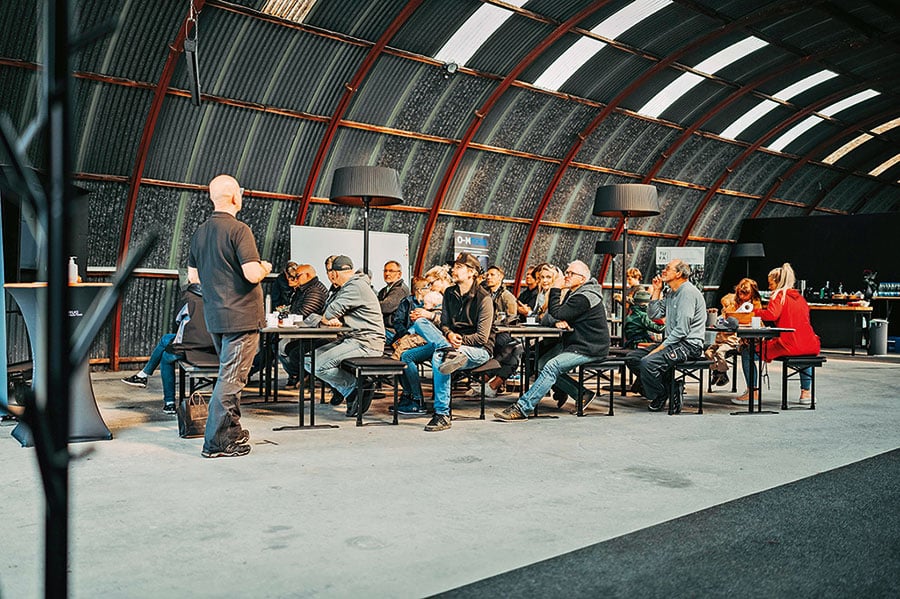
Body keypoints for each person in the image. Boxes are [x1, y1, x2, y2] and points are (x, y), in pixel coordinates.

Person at [188, 174, 272, 458]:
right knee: (231, 380)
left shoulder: (199, 232)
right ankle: (216, 443)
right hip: (242, 318)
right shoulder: (239, 230)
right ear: (237, 197)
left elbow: (192, 278)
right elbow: (251, 273)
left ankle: (232, 431)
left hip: (216, 318)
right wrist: (264, 266)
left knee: (228, 376)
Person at [494, 260, 610, 421]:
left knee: (551, 366)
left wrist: (556, 289)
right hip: (575, 343)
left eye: (571, 274)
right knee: (541, 364)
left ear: (582, 279)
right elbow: (554, 316)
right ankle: (581, 393)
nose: (566, 276)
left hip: (590, 347)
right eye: (566, 272)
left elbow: (556, 312)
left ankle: (522, 408)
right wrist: (559, 318)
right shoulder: (575, 293)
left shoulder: (584, 296)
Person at [397, 252, 494, 431]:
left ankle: (442, 414)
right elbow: (445, 324)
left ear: (471, 272)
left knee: (440, 357)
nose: (453, 270)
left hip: (477, 349)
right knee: (408, 350)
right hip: (450, 344)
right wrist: (449, 335)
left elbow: (482, 337)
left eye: (458, 267)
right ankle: (416, 400)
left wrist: (460, 339)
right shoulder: (450, 293)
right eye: (454, 266)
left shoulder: (484, 298)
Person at [305, 255, 385, 417]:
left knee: (317, 365)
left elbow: (328, 313)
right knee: (308, 360)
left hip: (366, 343)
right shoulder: (354, 285)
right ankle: (351, 391)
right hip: (353, 339)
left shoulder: (354, 287)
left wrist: (330, 318)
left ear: (334, 274)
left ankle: (356, 387)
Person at [625, 259, 707, 413]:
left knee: (648, 362)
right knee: (632, 359)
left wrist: (660, 348)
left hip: (689, 345)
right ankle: (668, 389)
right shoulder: (671, 293)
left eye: (668, 268)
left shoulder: (687, 293)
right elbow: (653, 314)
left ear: (679, 273)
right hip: (674, 342)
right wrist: (656, 291)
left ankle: (660, 394)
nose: (664, 270)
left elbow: (682, 330)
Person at [121, 283, 216, 414]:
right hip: (213, 348)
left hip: (190, 348)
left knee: (166, 356)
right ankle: (143, 375)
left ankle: (169, 402)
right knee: (166, 339)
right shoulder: (219, 297)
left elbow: (178, 322)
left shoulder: (188, 298)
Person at [736, 263, 821, 406]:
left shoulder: (779, 296)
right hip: (810, 344)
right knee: (805, 356)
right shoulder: (799, 297)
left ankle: (753, 392)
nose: (769, 287)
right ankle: (806, 393)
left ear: (777, 282)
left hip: (789, 344)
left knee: (747, 352)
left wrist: (753, 312)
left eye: (770, 284)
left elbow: (771, 315)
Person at [279, 263, 329, 388]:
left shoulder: (315, 290)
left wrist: (287, 316)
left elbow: (303, 313)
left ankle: (301, 375)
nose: (295, 279)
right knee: (278, 345)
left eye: (297, 276)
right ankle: (299, 375)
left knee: (291, 350)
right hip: (306, 330)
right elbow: (295, 308)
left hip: (315, 333)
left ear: (307, 275)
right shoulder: (304, 289)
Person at [706, 278, 761, 388]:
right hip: (722, 337)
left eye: (746, 293)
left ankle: (721, 372)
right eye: (740, 292)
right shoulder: (733, 303)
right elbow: (726, 316)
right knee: (708, 353)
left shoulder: (755, 305)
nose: (742, 295)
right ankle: (719, 371)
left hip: (735, 339)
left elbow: (756, 321)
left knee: (720, 352)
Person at [378, 260, 409, 343]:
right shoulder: (383, 291)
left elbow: (385, 307)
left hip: (392, 331)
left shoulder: (400, 290)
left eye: (391, 271)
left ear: (399, 274)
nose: (387, 274)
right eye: (385, 271)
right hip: (383, 328)